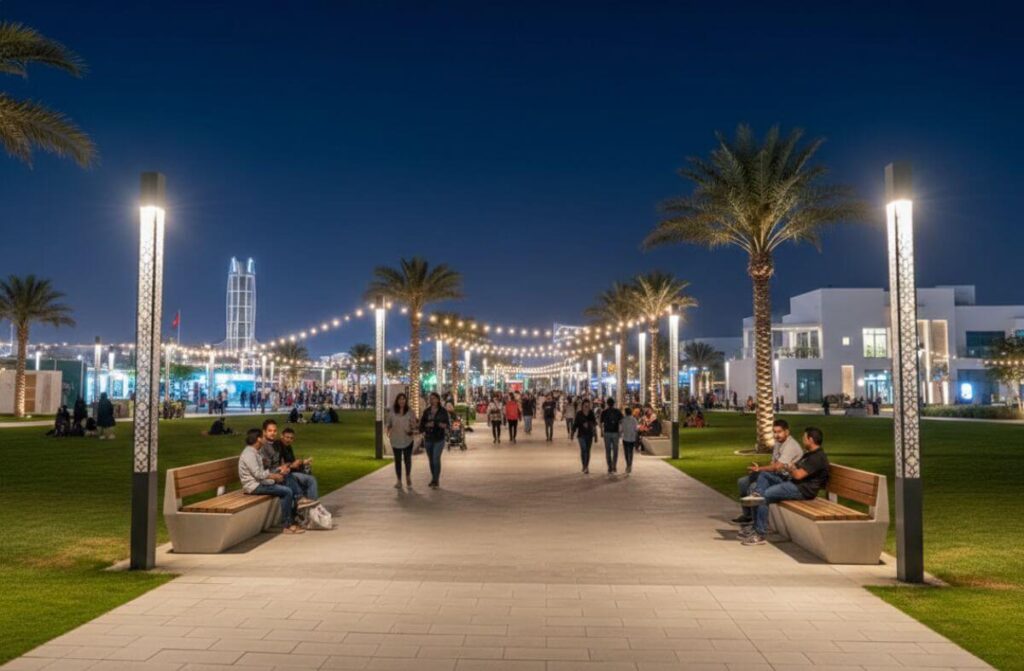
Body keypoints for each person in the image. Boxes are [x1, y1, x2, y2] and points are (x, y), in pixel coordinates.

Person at [740, 427, 831, 546]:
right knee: (761, 478)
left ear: (811, 439)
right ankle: (756, 509)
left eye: (804, 438)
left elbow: (798, 475)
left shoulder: (817, 457)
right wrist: (790, 468)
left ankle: (759, 534)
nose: (803, 440)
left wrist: (790, 467)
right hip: (792, 483)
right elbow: (794, 468)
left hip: (802, 490)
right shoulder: (809, 454)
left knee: (764, 496)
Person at [731, 419, 803, 526]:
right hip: (775, 475)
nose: (776, 435)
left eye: (779, 432)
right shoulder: (778, 443)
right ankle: (748, 516)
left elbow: (777, 467)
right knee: (742, 482)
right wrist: (759, 469)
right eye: (774, 432)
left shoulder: (790, 446)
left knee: (754, 488)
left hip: (785, 479)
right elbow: (773, 463)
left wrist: (760, 469)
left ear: (787, 432)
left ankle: (757, 527)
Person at [238, 428, 304, 534]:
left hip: (260, 482)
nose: (265, 439)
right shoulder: (249, 454)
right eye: (263, 437)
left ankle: (299, 502)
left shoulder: (254, 452)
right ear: (259, 439)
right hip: (253, 486)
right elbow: (258, 474)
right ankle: (287, 524)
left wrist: (278, 470)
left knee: (286, 476)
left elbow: (260, 473)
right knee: (287, 492)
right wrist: (273, 476)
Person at [271, 427, 319, 503]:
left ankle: (311, 505)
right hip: (284, 474)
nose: (289, 439)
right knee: (311, 480)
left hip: (290, 472)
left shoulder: (288, 447)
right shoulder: (278, 445)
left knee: (308, 477)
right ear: (281, 436)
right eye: (287, 437)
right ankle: (313, 507)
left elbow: (292, 462)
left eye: (291, 438)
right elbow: (281, 465)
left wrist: (302, 462)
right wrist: (292, 465)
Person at [419, 392, 450, 488]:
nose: (432, 400)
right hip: (428, 438)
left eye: (434, 398)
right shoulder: (427, 411)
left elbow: (447, 424)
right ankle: (434, 478)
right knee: (431, 460)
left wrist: (441, 425)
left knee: (436, 458)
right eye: (430, 398)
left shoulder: (443, 411)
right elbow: (421, 425)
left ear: (438, 399)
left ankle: (436, 480)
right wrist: (425, 427)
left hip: (439, 438)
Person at [387, 393, 416, 488]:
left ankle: (408, 476)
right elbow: (389, 424)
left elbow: (414, 425)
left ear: (406, 400)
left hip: (407, 439)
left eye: (403, 399)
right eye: (400, 399)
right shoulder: (392, 411)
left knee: (407, 459)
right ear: (397, 400)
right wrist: (389, 431)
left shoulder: (410, 412)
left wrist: (411, 429)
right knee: (398, 460)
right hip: (395, 439)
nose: (402, 401)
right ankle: (399, 480)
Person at [601, 397, 624, 474]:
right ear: (614, 403)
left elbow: (601, 423)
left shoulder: (604, 412)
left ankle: (609, 467)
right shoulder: (617, 411)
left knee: (608, 451)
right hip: (615, 433)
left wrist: (601, 432)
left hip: (607, 432)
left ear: (607, 403)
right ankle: (614, 466)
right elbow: (622, 421)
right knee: (615, 450)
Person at [575, 399, 597, 474]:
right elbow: (576, 423)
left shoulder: (591, 413)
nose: (587, 407)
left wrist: (595, 434)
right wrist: (572, 432)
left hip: (589, 434)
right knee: (583, 449)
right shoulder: (579, 413)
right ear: (582, 406)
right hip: (581, 435)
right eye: (585, 406)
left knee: (587, 451)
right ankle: (584, 465)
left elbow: (594, 423)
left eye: (588, 406)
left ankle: (586, 466)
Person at [620, 405, 639, 474]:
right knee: (631, 452)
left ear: (625, 412)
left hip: (625, 438)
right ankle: (630, 464)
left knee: (626, 453)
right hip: (632, 438)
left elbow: (621, 429)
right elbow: (636, 429)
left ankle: (628, 464)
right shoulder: (634, 420)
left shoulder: (623, 420)